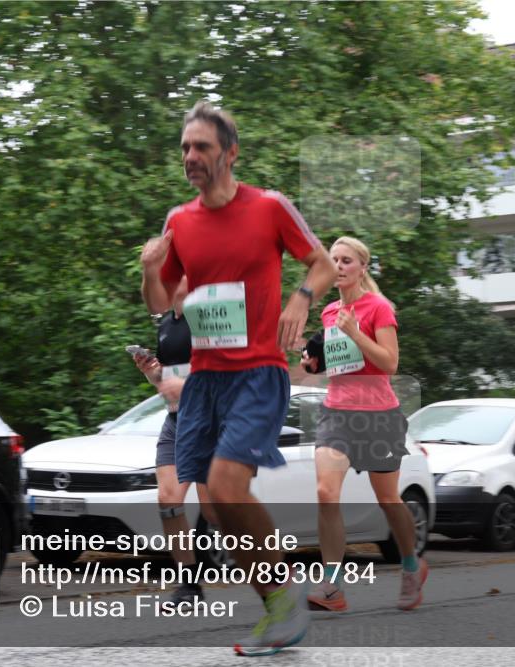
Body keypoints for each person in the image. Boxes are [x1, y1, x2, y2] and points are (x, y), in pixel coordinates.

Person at [140, 100, 336, 657]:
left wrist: (301, 297)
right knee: (216, 504)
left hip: (257, 373)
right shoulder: (179, 221)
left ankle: (286, 601)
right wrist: (151, 269)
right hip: (205, 381)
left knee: (227, 487)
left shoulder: (269, 207)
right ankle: (278, 606)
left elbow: (321, 263)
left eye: (201, 147)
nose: (190, 156)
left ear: (230, 153)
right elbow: (159, 303)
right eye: (185, 147)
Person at [301, 236, 427, 612]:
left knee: (388, 499)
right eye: (334, 260)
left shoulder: (378, 308)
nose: (339, 266)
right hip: (337, 413)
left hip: (379, 416)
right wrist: (313, 365)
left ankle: (411, 565)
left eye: (346, 260)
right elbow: (339, 364)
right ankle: (332, 586)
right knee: (326, 492)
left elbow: (390, 363)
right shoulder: (329, 313)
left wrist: (355, 332)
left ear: (361, 267)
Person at [131, 275, 210, 605]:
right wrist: (151, 372)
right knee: (168, 499)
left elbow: (224, 372)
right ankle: (189, 585)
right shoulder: (167, 324)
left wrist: (187, 385)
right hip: (176, 420)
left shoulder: (207, 317)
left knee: (218, 510)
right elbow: (165, 380)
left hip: (209, 419)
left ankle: (275, 572)